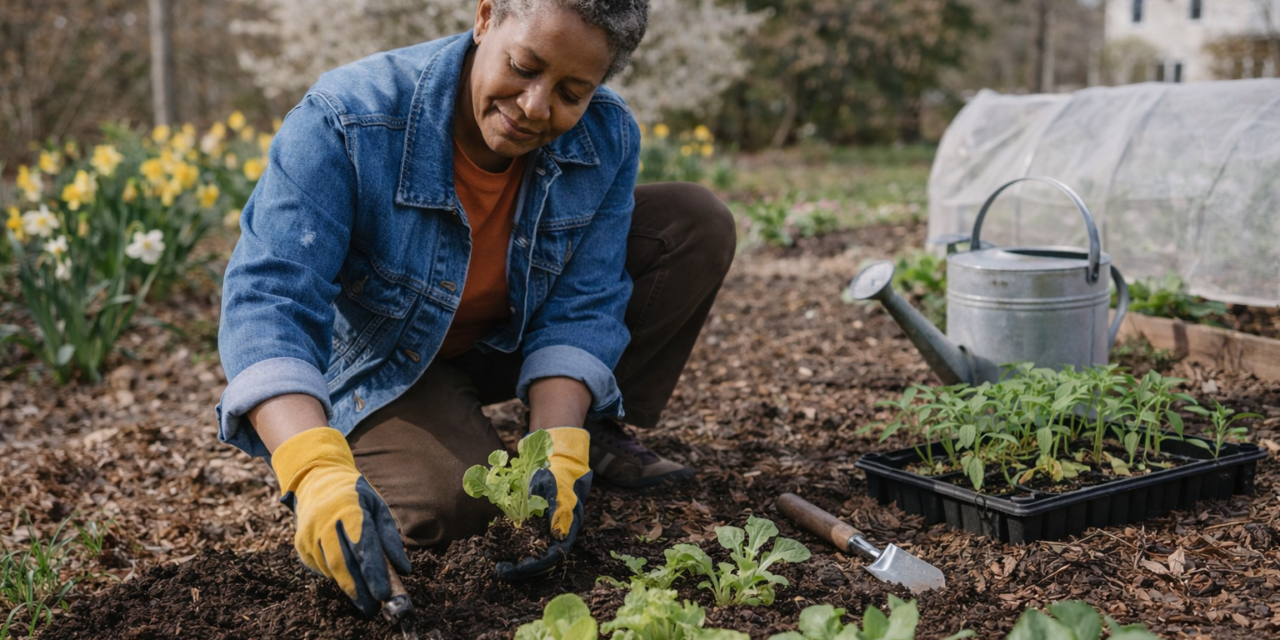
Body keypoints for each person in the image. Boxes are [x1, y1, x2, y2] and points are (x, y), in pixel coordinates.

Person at [215, 0, 735, 618]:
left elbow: (584, 300)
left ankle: (588, 439)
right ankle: (389, 446)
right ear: (486, 17)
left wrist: (555, 442)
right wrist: (311, 469)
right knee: (454, 506)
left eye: (572, 91)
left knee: (692, 223)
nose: (536, 106)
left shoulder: (606, 134)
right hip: (385, 358)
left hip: (502, 334)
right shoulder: (349, 118)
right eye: (523, 66)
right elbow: (269, 301)